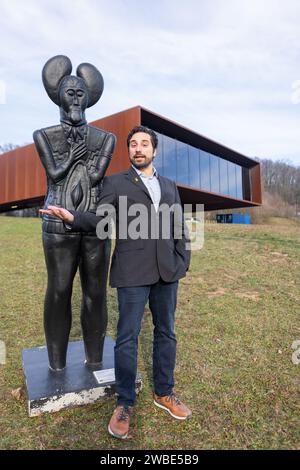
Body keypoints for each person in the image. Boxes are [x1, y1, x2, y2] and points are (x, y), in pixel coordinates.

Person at [40, 126, 192, 439]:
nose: (139, 149)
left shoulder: (169, 185)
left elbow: (179, 224)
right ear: (129, 151)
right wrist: (72, 218)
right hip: (132, 272)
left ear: (154, 150)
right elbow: (100, 219)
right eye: (133, 144)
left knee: (167, 332)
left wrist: (182, 260)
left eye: (144, 144)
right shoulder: (116, 183)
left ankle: (164, 392)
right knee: (126, 337)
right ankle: (124, 402)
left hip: (167, 273)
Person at [34, 55, 116, 371]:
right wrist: (74, 158)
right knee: (58, 290)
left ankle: (95, 360)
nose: (76, 99)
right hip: (57, 224)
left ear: (89, 97)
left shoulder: (105, 138)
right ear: (58, 95)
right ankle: (56, 364)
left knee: (95, 293)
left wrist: (78, 160)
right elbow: (56, 175)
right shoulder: (44, 135)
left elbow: (95, 177)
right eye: (70, 93)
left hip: (94, 224)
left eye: (81, 93)